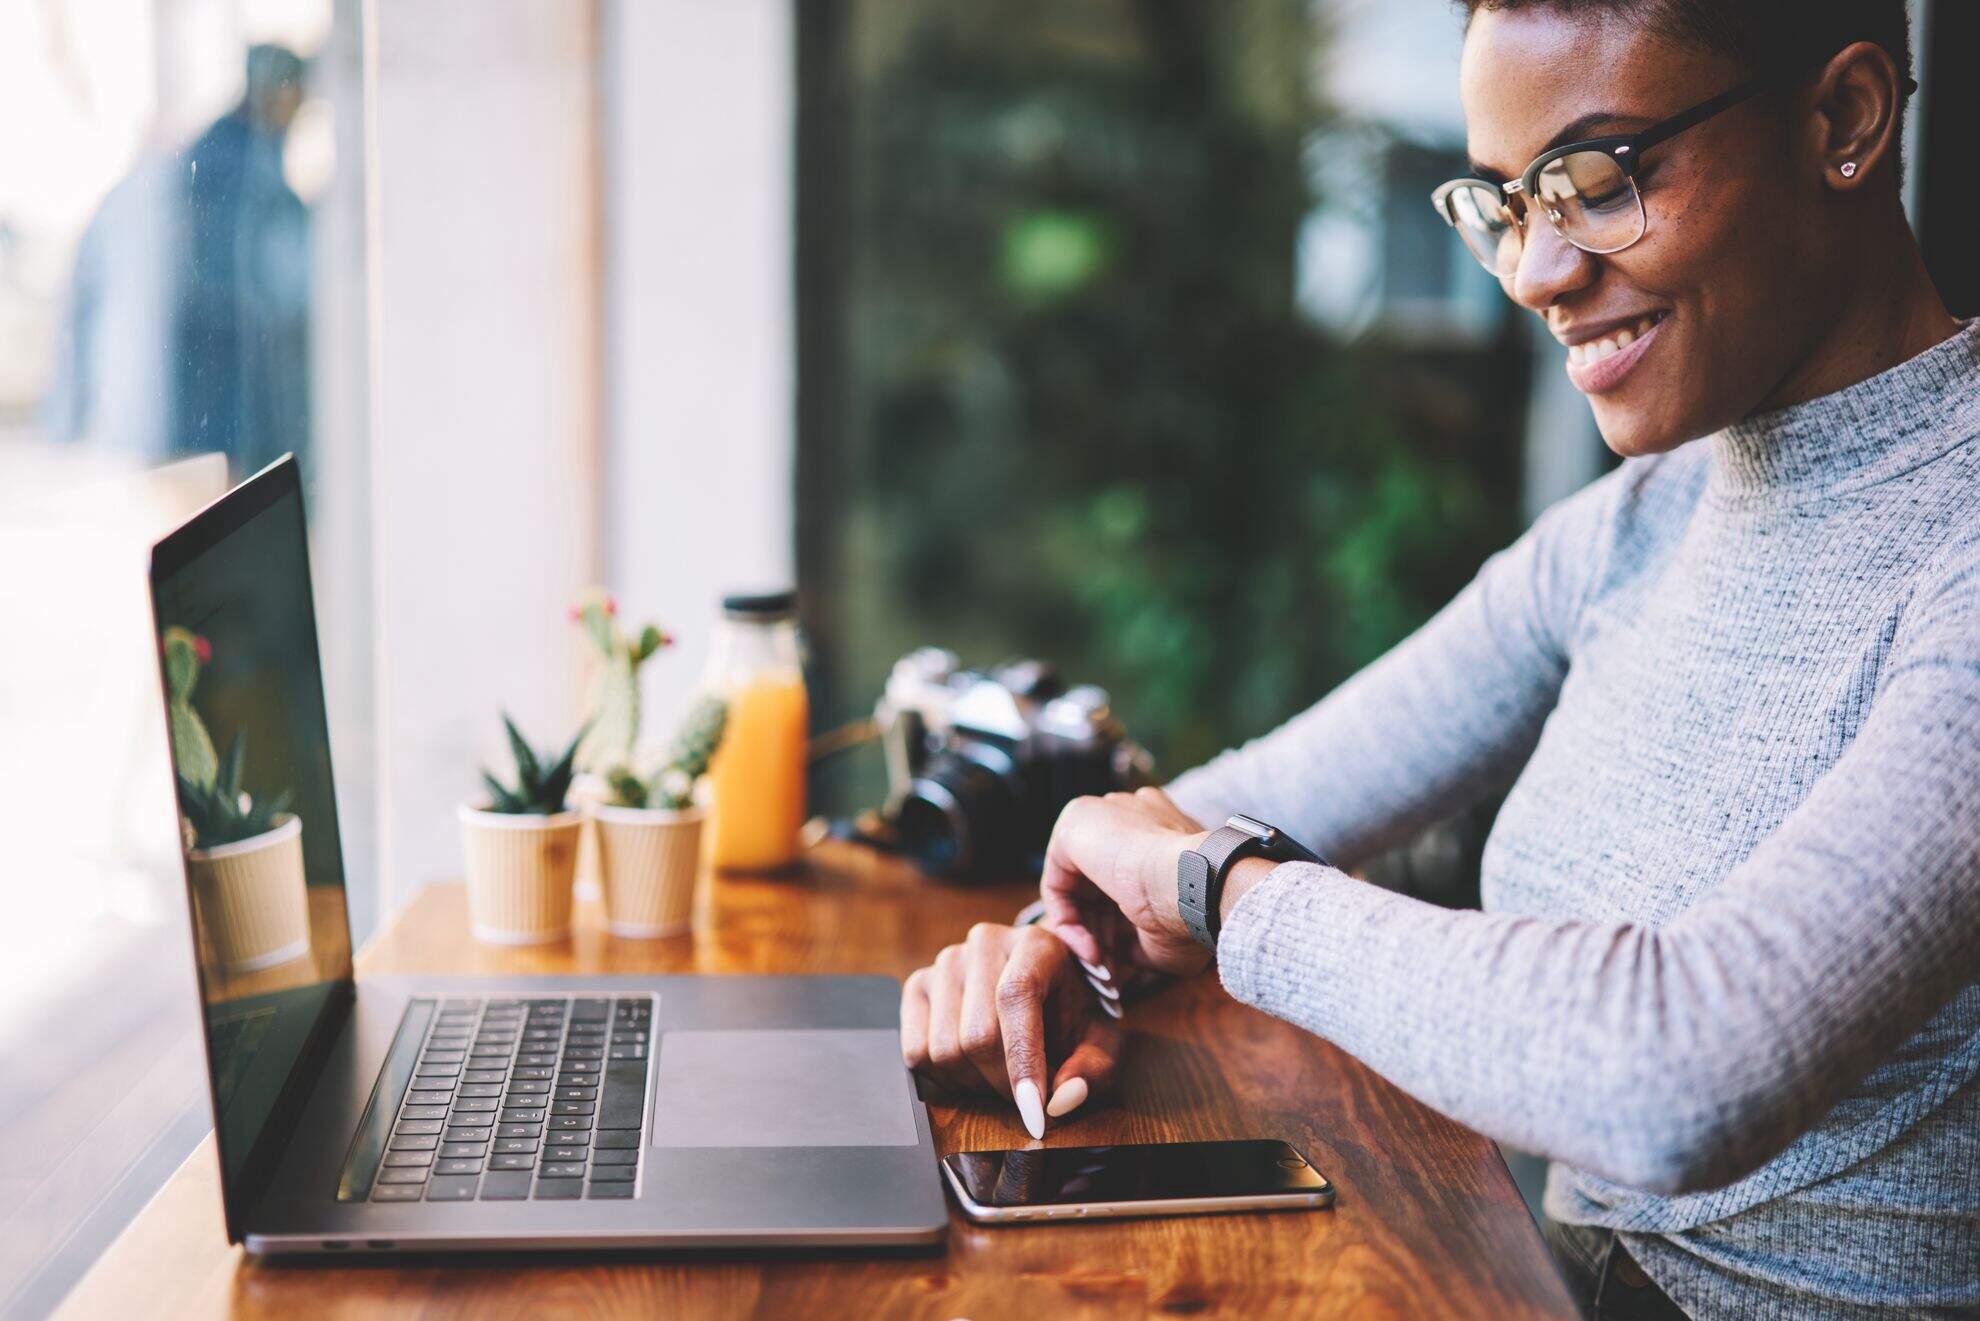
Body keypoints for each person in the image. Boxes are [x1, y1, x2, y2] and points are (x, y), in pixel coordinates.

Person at [899, 2, 1977, 1315]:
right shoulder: (1639, 523)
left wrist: (1220, 895)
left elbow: (1678, 1074)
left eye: (1599, 180)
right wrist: (1059, 948)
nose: (1533, 272)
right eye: (1510, 202)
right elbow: (1239, 805)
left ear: (1842, 122)